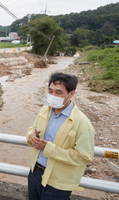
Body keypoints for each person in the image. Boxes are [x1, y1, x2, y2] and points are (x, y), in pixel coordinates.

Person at [26, 72, 95, 200]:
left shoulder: (82, 123)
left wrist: (49, 148)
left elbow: (84, 156)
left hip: (58, 182)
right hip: (35, 173)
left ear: (71, 94)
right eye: (50, 91)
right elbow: (32, 129)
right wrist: (31, 135)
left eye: (58, 92)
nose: (53, 96)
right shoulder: (45, 111)